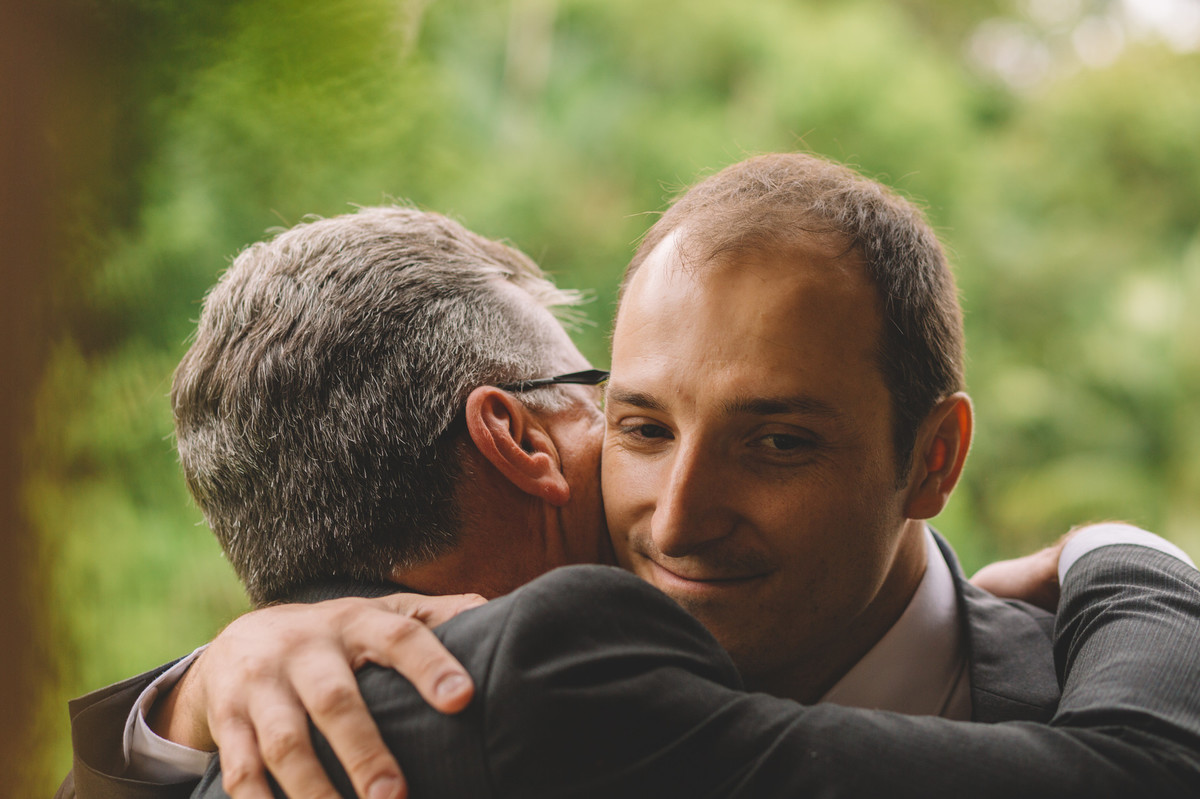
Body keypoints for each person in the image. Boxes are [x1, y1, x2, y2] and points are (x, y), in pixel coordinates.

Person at [59, 163, 1200, 798]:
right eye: (642, 424)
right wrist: (1120, 551)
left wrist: (182, 705)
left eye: (780, 441)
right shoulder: (462, 702)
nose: (682, 514)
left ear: (934, 458)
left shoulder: (1103, 686)